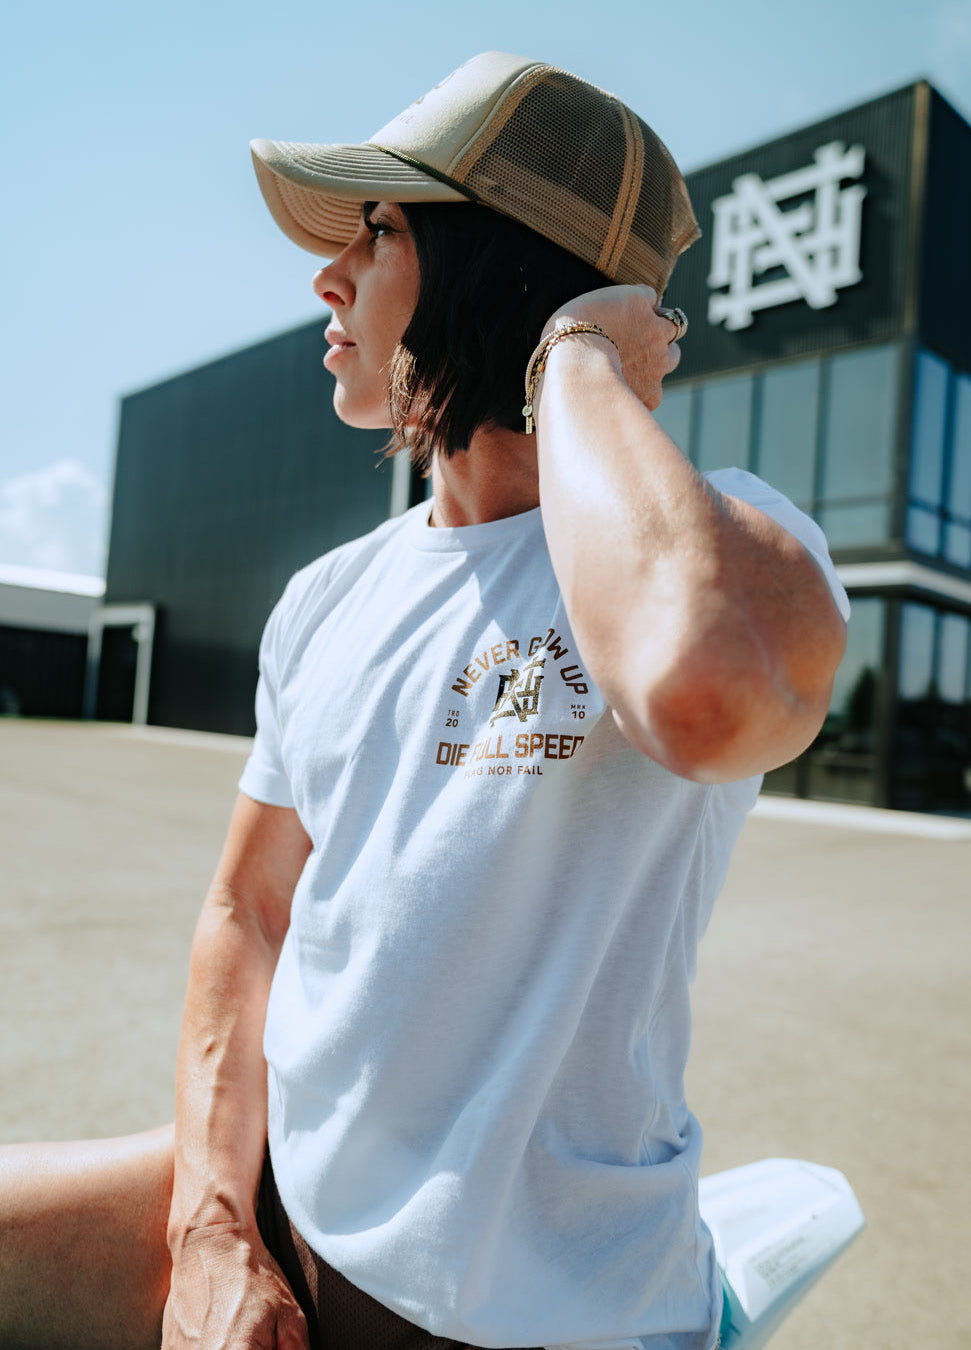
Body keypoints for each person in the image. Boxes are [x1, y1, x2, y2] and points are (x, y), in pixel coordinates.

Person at [0, 52, 848, 1350]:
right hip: (282, 1202)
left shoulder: (729, 546)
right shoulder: (324, 596)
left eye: (379, 230)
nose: (327, 274)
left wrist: (572, 351)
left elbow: (707, 687)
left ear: (496, 267)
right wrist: (214, 1230)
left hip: (546, 1315)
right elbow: (247, 905)